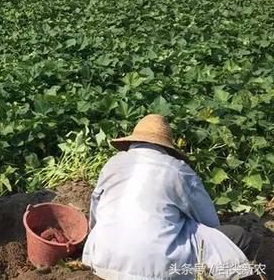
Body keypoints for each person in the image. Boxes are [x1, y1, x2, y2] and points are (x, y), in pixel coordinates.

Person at [83, 114, 258, 280]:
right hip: (156, 268)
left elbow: (95, 210)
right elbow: (208, 221)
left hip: (101, 259)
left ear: (133, 141)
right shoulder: (177, 169)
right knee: (239, 237)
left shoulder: (113, 163)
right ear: (166, 147)